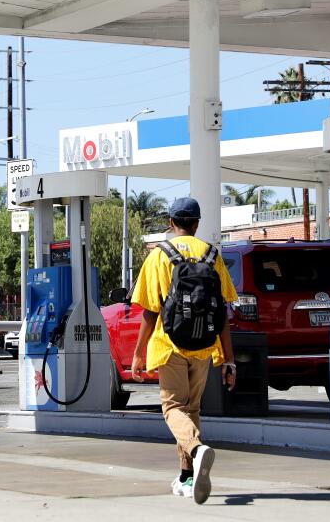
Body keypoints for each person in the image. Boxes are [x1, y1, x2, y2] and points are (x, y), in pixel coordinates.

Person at [130, 196, 238, 504]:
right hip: (204, 345)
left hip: (170, 344)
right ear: (197, 223)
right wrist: (229, 360)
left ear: (171, 222)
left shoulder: (159, 255)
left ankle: (196, 449)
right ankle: (187, 478)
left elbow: (150, 311)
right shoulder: (213, 254)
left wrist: (138, 353)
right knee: (192, 410)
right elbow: (223, 313)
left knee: (173, 409)